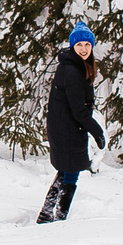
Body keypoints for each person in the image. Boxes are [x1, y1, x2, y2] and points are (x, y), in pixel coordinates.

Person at [40, 22, 103, 222]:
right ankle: (59, 217)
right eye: (79, 45)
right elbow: (79, 110)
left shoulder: (75, 65)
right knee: (71, 172)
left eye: (87, 44)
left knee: (66, 170)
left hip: (66, 127)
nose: (83, 49)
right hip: (67, 128)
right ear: (72, 46)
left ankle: (47, 214)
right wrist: (97, 132)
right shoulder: (72, 71)